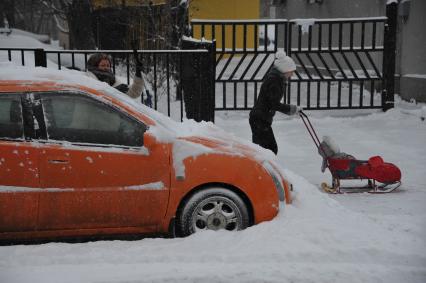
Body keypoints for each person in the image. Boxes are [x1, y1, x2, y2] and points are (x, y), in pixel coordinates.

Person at [249, 50, 302, 155]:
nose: (292, 74)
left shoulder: (277, 78)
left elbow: (272, 102)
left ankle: (259, 169)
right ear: (285, 69)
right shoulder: (274, 81)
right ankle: (259, 170)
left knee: (263, 150)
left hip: (260, 118)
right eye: (291, 71)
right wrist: (292, 109)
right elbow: (274, 104)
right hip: (260, 119)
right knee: (269, 150)